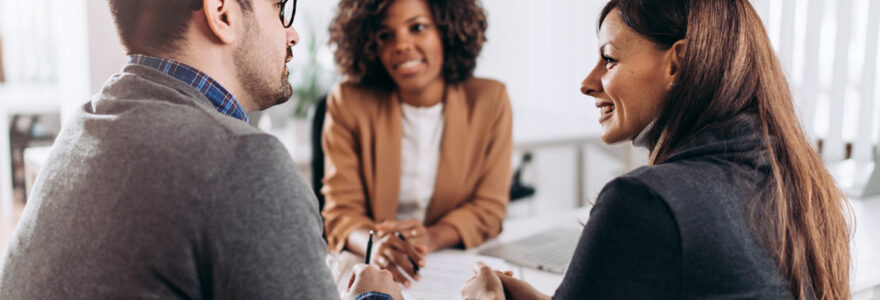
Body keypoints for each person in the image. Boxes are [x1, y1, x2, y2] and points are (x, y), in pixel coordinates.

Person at [0, 0, 401, 299]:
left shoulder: (82, 128)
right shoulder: (243, 162)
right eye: (280, 10)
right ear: (222, 13)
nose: (292, 34)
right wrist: (375, 295)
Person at [461, 0, 851, 299]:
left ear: (678, 64)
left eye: (609, 59)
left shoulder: (645, 202)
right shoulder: (798, 184)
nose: (587, 82)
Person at [323, 0, 513, 287]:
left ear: (447, 31)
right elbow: (341, 213)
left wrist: (430, 237)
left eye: (418, 27)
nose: (402, 44)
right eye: (386, 35)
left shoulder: (490, 100)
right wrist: (378, 245)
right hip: (368, 262)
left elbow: (488, 209)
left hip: (449, 262)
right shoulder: (348, 101)